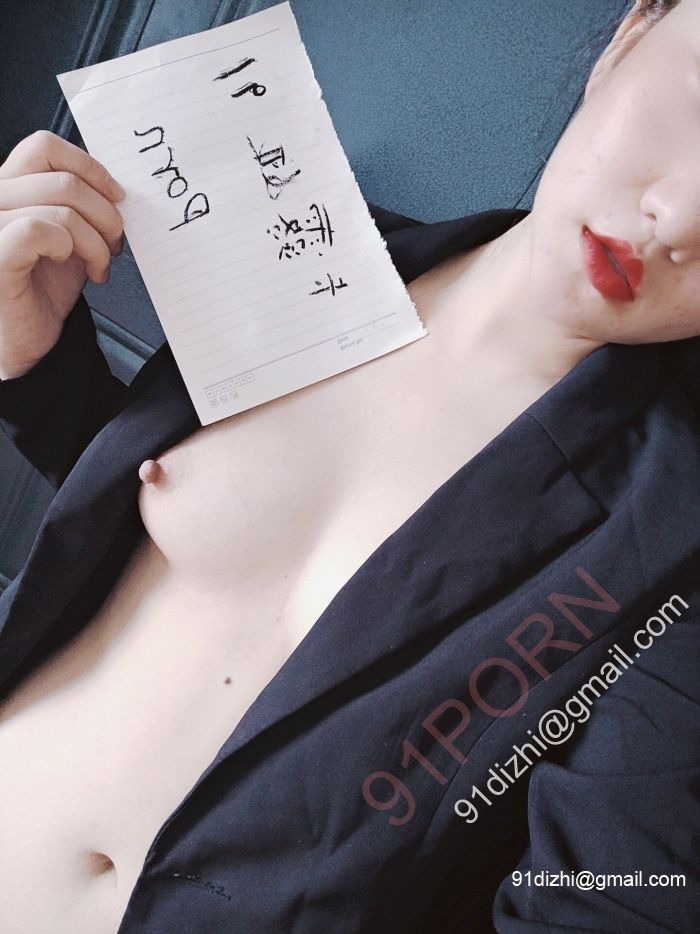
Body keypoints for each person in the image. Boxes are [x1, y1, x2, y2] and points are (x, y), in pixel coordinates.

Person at [0, 0, 698, 931]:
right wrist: (29, 356)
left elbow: (617, 902)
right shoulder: (309, 257)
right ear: (632, 33)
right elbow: (150, 543)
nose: (676, 217)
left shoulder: (671, 549)